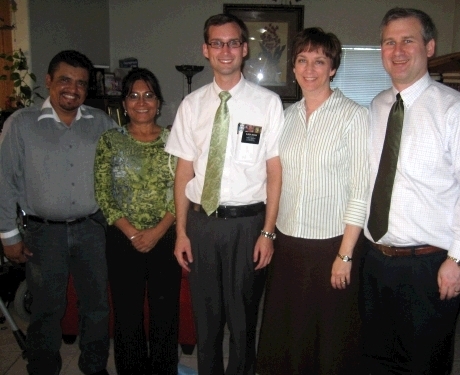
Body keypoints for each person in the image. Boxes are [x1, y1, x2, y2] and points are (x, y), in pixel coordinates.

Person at [361, 7, 460, 375]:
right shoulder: (376, 107)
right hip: (374, 259)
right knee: (375, 359)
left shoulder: (458, 110)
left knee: (423, 364)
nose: (398, 50)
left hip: (429, 265)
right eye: (390, 42)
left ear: (430, 46)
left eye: (408, 40)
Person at [165, 13, 284, 375]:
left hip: (247, 225)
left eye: (233, 42)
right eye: (217, 43)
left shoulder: (267, 104)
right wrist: (182, 232)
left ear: (244, 49)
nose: (226, 50)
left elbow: (275, 172)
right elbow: (184, 172)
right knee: (207, 318)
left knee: (244, 319)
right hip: (201, 224)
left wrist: (267, 232)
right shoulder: (192, 105)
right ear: (206, 50)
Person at [256, 27, 369, 375]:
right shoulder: (285, 118)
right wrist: (269, 233)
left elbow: (360, 189)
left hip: (332, 244)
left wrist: (345, 255)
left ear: (333, 68)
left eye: (319, 61)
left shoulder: (353, 115)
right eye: (302, 60)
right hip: (289, 243)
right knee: (289, 331)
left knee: (330, 336)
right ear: (293, 67)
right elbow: (273, 181)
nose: (310, 69)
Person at [0, 50, 116, 375]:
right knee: (46, 308)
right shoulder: (21, 124)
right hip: (43, 232)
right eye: (65, 79)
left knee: (95, 306)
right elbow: (4, 180)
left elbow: (123, 166)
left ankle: (94, 367)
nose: (73, 88)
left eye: (80, 83)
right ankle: (43, 368)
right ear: (49, 81)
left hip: (92, 229)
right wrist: (8, 235)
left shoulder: (101, 123)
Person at [94, 68, 181, 374]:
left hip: (165, 237)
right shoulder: (110, 141)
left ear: (158, 102)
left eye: (148, 95)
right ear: (124, 102)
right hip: (122, 239)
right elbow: (103, 193)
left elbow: (180, 192)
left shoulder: (174, 141)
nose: (141, 102)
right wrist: (132, 233)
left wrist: (157, 232)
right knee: (127, 314)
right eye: (133, 95)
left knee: (164, 313)